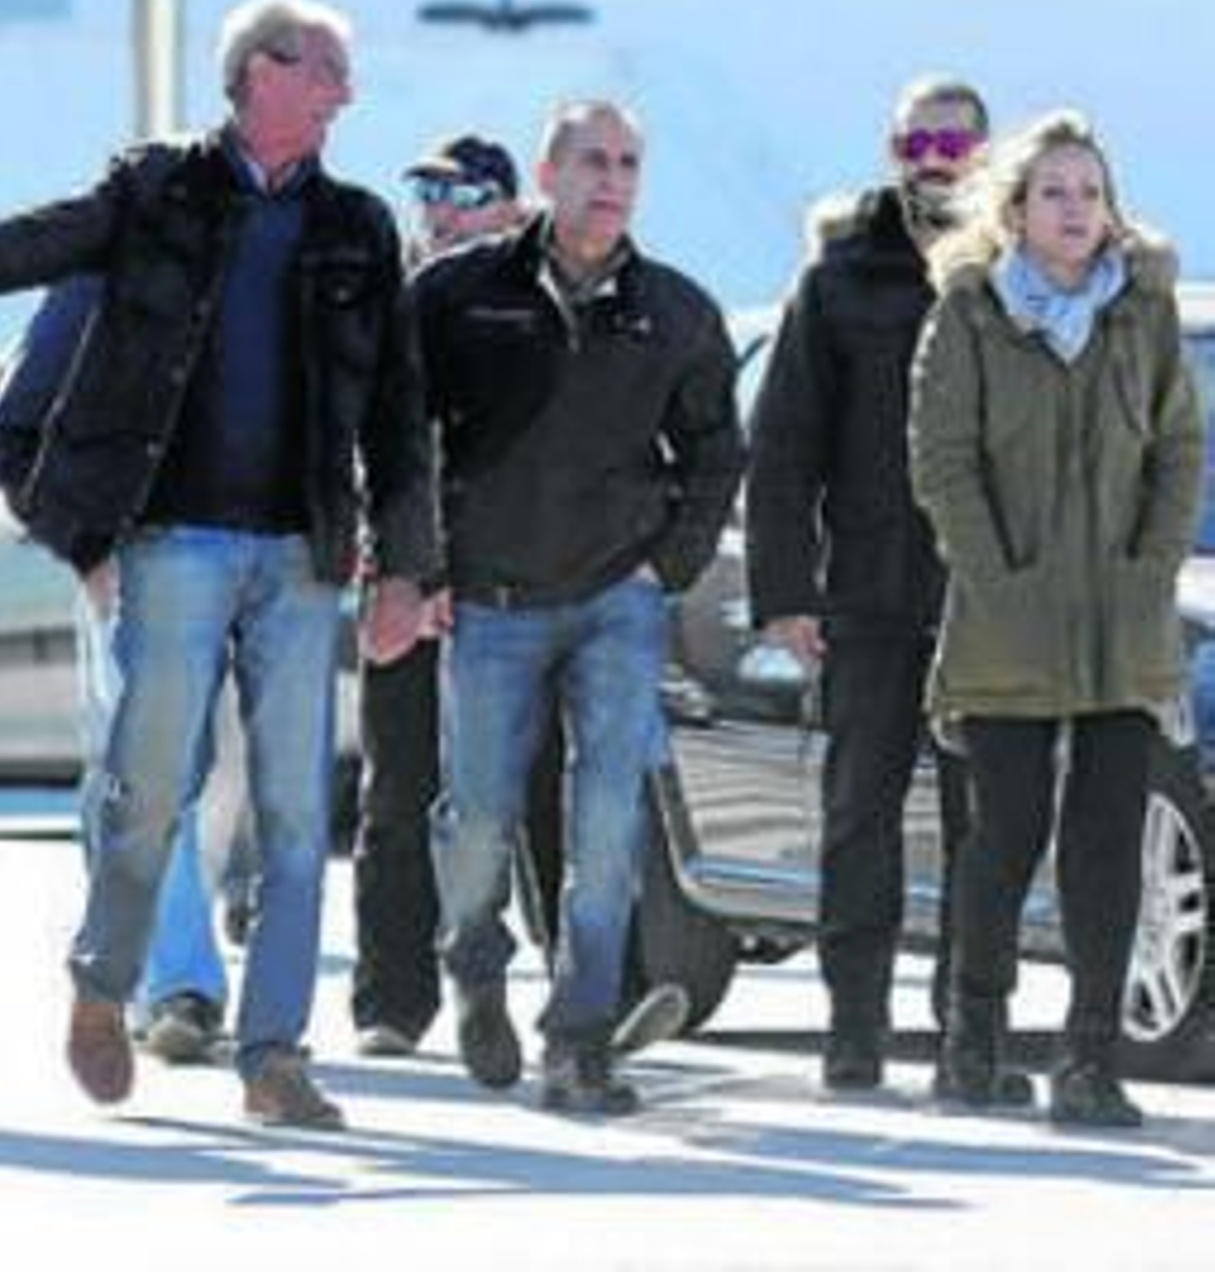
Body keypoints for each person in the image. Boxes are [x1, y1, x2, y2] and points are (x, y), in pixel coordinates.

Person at [0, 0, 436, 1130]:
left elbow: (395, 409)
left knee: (296, 815)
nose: (344, 93)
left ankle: (275, 1054)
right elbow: (49, 238)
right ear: (260, 71)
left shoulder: (358, 226)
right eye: (326, 70)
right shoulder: (156, 189)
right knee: (148, 789)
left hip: (300, 556)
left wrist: (403, 568)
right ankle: (104, 981)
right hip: (173, 541)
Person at [420, 100, 743, 1115]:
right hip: (490, 598)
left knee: (607, 825)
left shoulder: (676, 309)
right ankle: (474, 963)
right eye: (593, 161)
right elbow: (398, 433)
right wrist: (416, 566)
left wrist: (667, 565)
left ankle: (580, 1037)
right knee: (478, 816)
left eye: (628, 164)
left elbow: (716, 453)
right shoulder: (458, 293)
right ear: (549, 172)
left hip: (616, 601)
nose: (612, 180)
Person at [910, 111, 1203, 1129]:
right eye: (1054, 192)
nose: (1075, 209)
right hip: (1008, 615)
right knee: (1007, 830)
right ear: (1015, 211)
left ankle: (1089, 1058)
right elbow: (941, 460)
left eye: (1090, 192)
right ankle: (974, 1038)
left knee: (1108, 836)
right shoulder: (970, 313)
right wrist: (995, 576)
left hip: (1123, 620)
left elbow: (1178, 447)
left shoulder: (1143, 311)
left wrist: (1150, 564)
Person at [745, 73, 991, 1094]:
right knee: (859, 811)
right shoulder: (841, 274)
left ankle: (969, 1034)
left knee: (987, 820)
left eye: (953, 142)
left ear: (984, 152)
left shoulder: (1017, 268)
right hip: (870, 589)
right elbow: (783, 442)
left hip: (990, 597)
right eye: (918, 141)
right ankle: (854, 1026)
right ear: (894, 149)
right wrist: (785, 591)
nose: (935, 159)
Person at [0, 275, 241, 1066]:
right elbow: (14, 437)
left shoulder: (257, 265)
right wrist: (87, 548)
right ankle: (178, 985)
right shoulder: (96, 277)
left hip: (242, 558)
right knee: (144, 770)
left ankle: (134, 968)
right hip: (129, 564)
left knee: (157, 775)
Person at [352, 133, 525, 1057]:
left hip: (517, 592)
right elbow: (372, 453)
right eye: (427, 194)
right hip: (404, 586)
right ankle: (392, 999)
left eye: (463, 195)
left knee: (533, 799)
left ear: (510, 206)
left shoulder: (538, 301)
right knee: (400, 793)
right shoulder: (390, 305)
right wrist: (405, 575)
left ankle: (587, 996)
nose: (440, 213)